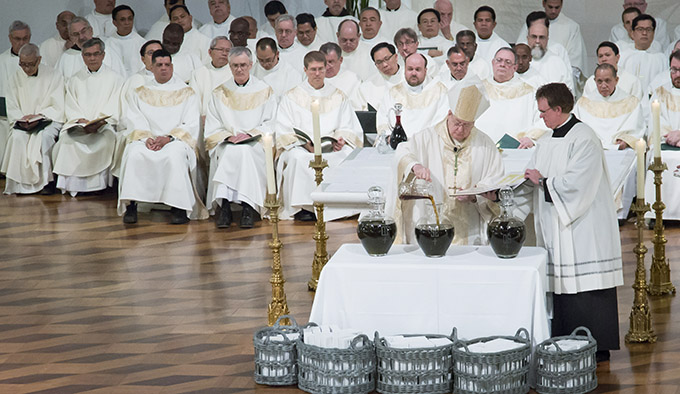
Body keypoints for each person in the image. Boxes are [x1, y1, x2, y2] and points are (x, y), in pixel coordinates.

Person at [523, 82, 623, 364]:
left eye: (543, 111)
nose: (540, 117)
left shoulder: (585, 138)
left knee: (586, 290)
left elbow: (578, 184)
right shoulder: (545, 140)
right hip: (555, 226)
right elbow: (531, 180)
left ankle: (596, 344)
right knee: (563, 290)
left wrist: (543, 182)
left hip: (582, 228)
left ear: (558, 109)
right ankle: (565, 340)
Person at [393, 81, 503, 245]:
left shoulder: (485, 144)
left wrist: (475, 195)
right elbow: (402, 151)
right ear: (449, 114)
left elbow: (495, 178)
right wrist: (415, 166)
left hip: (470, 226)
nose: (461, 129)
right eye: (457, 123)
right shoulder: (427, 137)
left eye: (467, 125)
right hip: (431, 224)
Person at [118, 49, 206, 225]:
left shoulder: (186, 92)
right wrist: (146, 138)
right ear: (151, 67)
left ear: (172, 66)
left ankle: (178, 208)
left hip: (175, 141)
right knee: (134, 153)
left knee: (174, 156)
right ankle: (131, 205)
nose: (164, 68)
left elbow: (190, 123)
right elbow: (135, 118)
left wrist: (169, 138)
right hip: (148, 140)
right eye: (159, 65)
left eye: (167, 65)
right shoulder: (140, 91)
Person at [276, 51, 363, 221]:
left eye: (321, 69)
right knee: (297, 159)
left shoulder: (338, 95)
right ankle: (305, 207)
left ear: (326, 68)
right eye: (313, 69)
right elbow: (284, 129)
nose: (317, 74)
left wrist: (340, 139)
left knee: (346, 155)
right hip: (302, 147)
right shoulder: (291, 96)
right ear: (305, 70)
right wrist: (303, 144)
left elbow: (348, 125)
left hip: (330, 147)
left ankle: (340, 207)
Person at [204, 47, 277, 228]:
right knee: (231, 152)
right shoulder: (219, 93)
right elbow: (213, 126)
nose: (239, 69)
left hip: (255, 143)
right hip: (228, 142)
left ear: (251, 65)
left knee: (244, 152)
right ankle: (226, 207)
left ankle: (247, 207)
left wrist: (250, 134)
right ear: (229, 66)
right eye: (235, 65)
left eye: (243, 65)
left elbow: (271, 122)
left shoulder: (264, 90)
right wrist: (228, 137)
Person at [52, 38, 123, 196]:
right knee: (66, 141)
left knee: (106, 140)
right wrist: (79, 120)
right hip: (80, 127)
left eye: (96, 54)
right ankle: (73, 186)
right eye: (88, 55)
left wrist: (99, 121)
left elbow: (115, 105)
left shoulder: (115, 79)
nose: (92, 58)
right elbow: (70, 104)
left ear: (103, 55)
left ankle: (98, 186)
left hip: (102, 128)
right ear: (82, 56)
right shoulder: (75, 79)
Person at [1, 44, 65, 195]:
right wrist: (22, 118)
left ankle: (47, 182)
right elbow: (11, 104)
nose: (27, 69)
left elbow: (57, 104)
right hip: (23, 122)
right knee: (17, 138)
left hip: (47, 120)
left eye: (30, 64)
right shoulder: (15, 77)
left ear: (39, 60)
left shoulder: (54, 75)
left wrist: (39, 116)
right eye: (23, 64)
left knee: (44, 138)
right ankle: (18, 183)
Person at [475, 47, 548, 148]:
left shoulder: (529, 92)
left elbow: (544, 118)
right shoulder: (478, 88)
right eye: (499, 60)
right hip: (481, 148)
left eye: (508, 62)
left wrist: (531, 138)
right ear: (493, 63)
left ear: (515, 67)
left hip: (516, 149)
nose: (502, 64)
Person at [377, 53, 448, 139]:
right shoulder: (393, 92)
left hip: (427, 145)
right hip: (397, 147)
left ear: (425, 71)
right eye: (410, 69)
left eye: (418, 69)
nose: (413, 73)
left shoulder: (439, 91)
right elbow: (383, 120)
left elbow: (442, 124)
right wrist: (390, 138)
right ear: (405, 70)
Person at [575, 63, 644, 150]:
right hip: (591, 149)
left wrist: (626, 141)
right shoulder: (583, 103)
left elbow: (637, 128)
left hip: (621, 149)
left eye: (607, 81)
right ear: (594, 81)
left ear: (616, 80)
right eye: (599, 81)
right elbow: (577, 129)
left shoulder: (631, 102)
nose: (603, 85)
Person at [515, 0, 586, 77]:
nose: (553, 11)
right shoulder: (531, 22)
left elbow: (574, 63)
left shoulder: (570, 30)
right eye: (550, 7)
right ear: (544, 3)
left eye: (557, 7)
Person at [0, 21, 32, 168]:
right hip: (6, 113)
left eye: (25, 38)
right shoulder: (2, 61)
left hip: (31, 111)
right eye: (17, 39)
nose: (21, 43)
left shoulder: (36, 59)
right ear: (10, 38)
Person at [56, 17, 125, 79]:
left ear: (91, 30)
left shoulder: (108, 52)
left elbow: (120, 80)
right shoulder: (66, 58)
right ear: (71, 37)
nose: (81, 37)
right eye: (76, 34)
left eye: (83, 31)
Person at [525, 12, 574, 92]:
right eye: (534, 37)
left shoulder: (558, 63)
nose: (537, 41)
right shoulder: (519, 61)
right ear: (527, 38)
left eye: (541, 37)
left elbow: (568, 92)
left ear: (547, 39)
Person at [618, 14, 667, 92]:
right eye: (640, 29)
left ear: (654, 33)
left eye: (648, 29)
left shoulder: (661, 59)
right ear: (632, 33)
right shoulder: (623, 57)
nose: (644, 33)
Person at [320, 42, 365, 110]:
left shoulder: (353, 79)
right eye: (324, 62)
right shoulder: (314, 78)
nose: (327, 66)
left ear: (340, 60)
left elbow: (359, 108)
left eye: (331, 62)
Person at [360, 42, 404, 111]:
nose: (384, 65)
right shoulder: (368, 86)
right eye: (379, 62)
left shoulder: (411, 77)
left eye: (387, 59)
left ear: (396, 57)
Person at [106, 5, 146, 77]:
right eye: (122, 19)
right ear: (114, 22)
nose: (127, 23)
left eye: (130, 19)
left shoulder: (143, 43)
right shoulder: (108, 44)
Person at [654, 51, 680, 147]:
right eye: (674, 70)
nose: (677, 74)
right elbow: (655, 122)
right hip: (666, 146)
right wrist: (674, 138)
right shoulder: (660, 93)